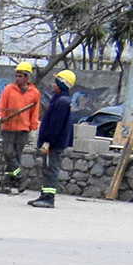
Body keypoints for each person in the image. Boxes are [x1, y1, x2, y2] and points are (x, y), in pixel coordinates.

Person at [31, 67, 78, 209]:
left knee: (51, 169)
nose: (52, 85)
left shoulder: (61, 102)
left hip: (54, 143)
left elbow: (55, 125)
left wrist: (48, 141)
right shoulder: (60, 100)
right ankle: (44, 194)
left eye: (55, 82)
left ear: (62, 84)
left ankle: (49, 198)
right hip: (53, 142)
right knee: (47, 168)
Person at [0, 60, 44, 186]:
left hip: (23, 128)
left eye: (20, 76)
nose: (17, 78)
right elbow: (2, 105)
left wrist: (33, 127)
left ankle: (10, 180)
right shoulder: (9, 89)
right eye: (17, 75)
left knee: (16, 155)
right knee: (8, 153)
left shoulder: (34, 93)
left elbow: (35, 112)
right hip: (8, 126)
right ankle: (20, 176)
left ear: (27, 77)